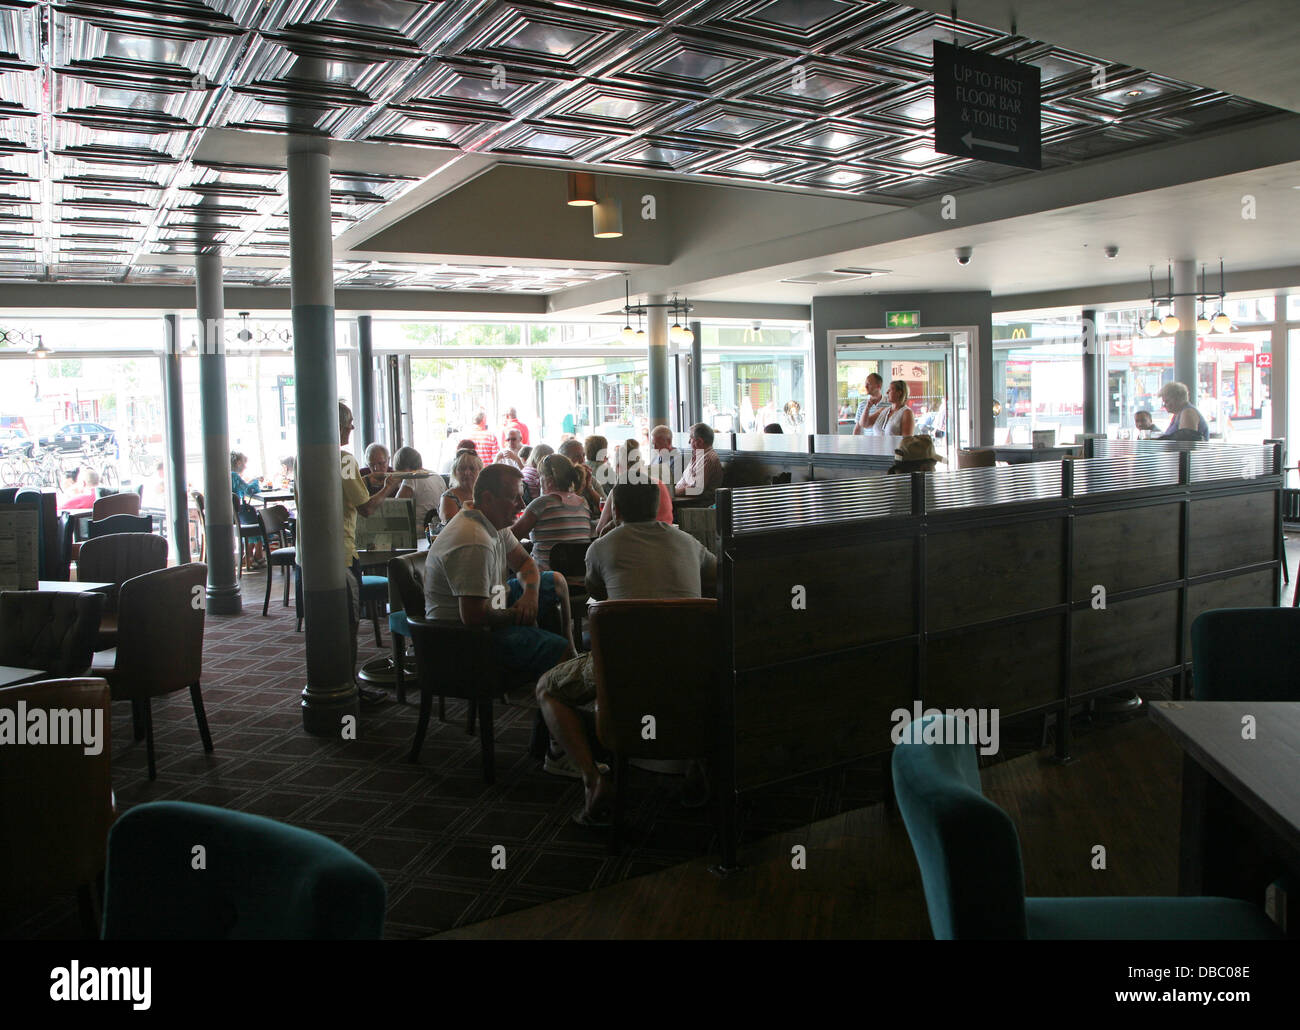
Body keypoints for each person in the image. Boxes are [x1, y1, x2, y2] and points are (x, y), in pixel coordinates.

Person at [536, 482, 717, 822]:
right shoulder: (688, 542)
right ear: (659, 508)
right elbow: (717, 574)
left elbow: (595, 589)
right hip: (691, 669)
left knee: (547, 688)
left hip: (623, 672)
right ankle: (698, 764)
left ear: (615, 511)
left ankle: (592, 779)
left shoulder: (602, 547)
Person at [424, 462, 575, 686]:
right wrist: (520, 615)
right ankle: (561, 674)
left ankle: (566, 658)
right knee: (558, 651)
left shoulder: (492, 521)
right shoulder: (474, 540)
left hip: (492, 603)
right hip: (465, 637)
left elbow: (525, 563)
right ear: (488, 499)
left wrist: (529, 596)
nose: (522, 504)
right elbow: (473, 616)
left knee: (555, 581)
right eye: (515, 498)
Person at [337, 402, 403, 704]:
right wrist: (390, 487)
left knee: (328, 627)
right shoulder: (344, 460)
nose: (352, 427)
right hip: (341, 553)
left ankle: (337, 685)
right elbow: (366, 508)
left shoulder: (305, 456)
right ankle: (348, 690)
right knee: (347, 625)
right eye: (349, 422)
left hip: (312, 556)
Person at [509, 453, 593, 570]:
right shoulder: (583, 503)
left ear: (549, 479)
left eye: (540, 476)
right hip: (579, 580)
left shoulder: (542, 504)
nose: (538, 482)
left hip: (546, 580)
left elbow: (510, 537)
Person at [594, 440, 672, 536]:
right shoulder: (659, 484)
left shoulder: (620, 490)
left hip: (633, 543)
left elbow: (600, 529)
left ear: (618, 467)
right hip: (665, 540)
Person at [392, 445, 446, 530]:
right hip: (437, 530)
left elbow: (395, 509)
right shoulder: (437, 476)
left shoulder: (411, 478)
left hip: (418, 533)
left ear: (403, 468)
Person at [675, 422, 723, 503]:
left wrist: (673, 492)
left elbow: (696, 490)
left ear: (700, 441)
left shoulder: (708, 458)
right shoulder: (698, 456)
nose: (689, 442)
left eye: (691, 438)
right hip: (687, 500)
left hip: (700, 504)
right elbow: (683, 481)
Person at [231, 451, 264, 568]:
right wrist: (256, 481)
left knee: (253, 513)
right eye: (244, 463)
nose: (245, 466)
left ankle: (253, 555)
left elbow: (243, 488)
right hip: (237, 515)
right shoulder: (233, 475)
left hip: (234, 514)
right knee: (260, 519)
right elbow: (249, 490)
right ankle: (253, 555)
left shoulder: (228, 475)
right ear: (239, 462)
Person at [439, 447, 483, 525]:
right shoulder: (448, 497)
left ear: (480, 471)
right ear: (455, 472)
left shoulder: (485, 494)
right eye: (462, 469)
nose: (467, 472)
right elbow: (453, 528)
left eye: (472, 468)